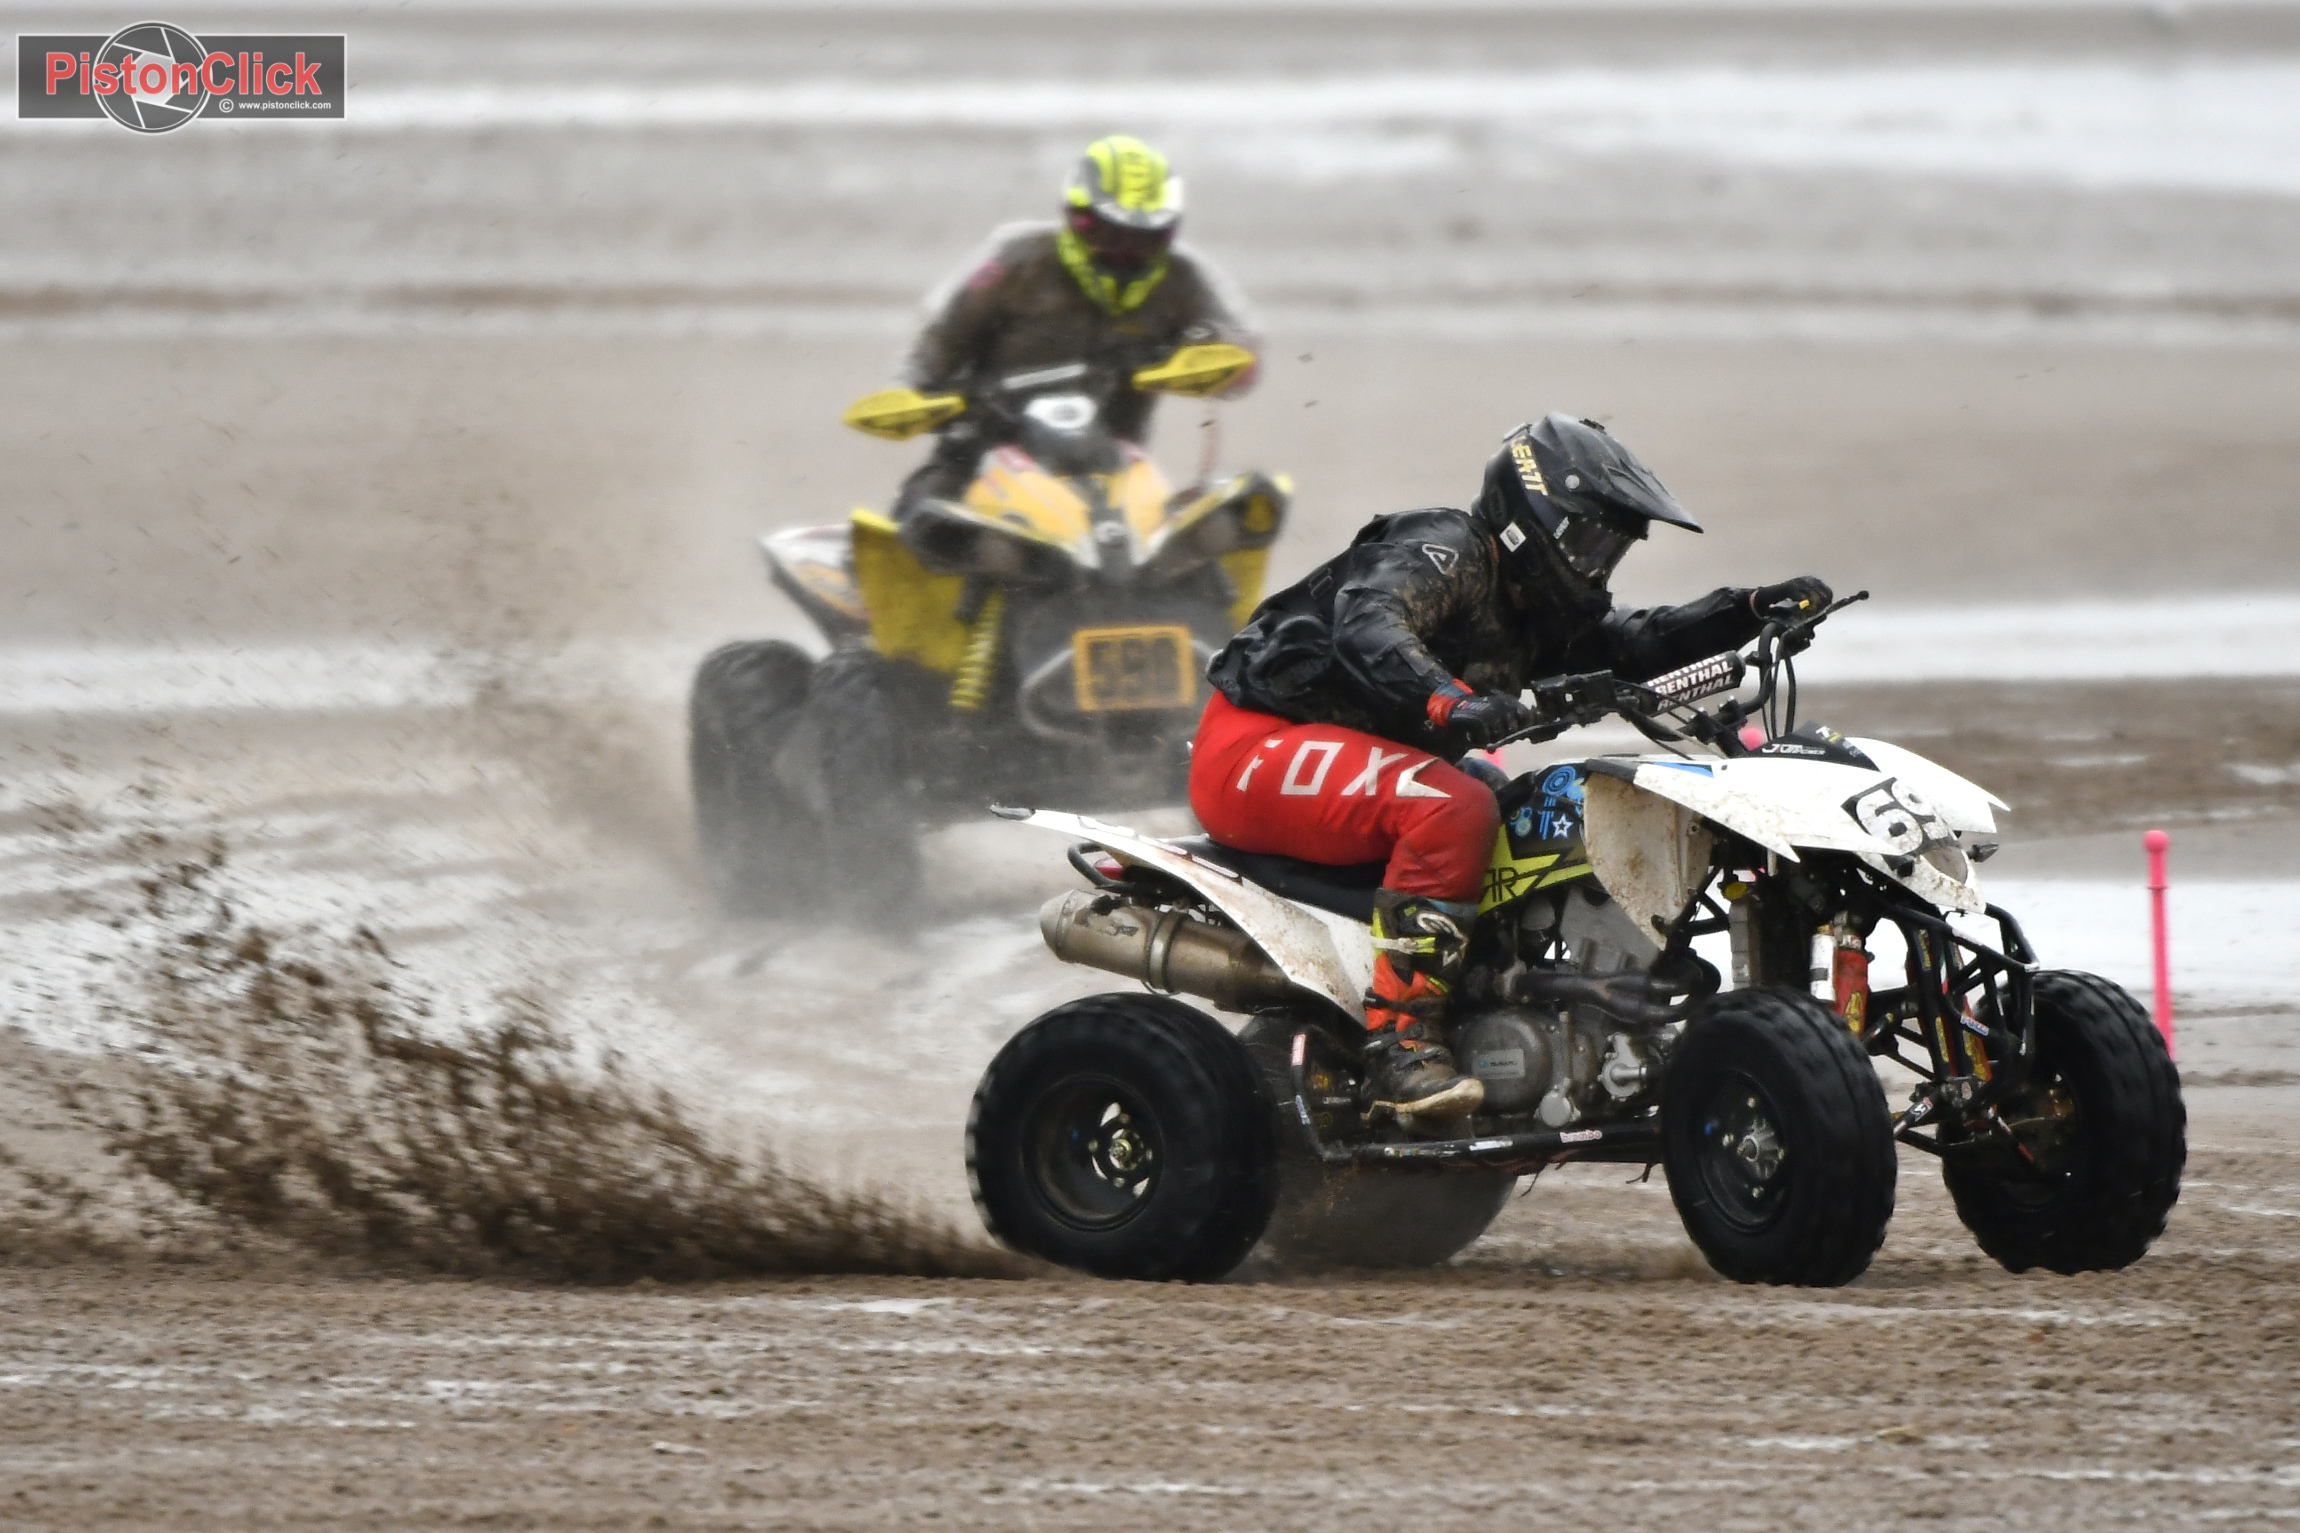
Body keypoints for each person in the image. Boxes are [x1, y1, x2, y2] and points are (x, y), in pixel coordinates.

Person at [1196, 414, 1833, 1120]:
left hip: (1346, 761)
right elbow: (1368, 619)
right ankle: (1400, 1044)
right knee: (1454, 807)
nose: (1598, 565)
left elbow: (1633, 644)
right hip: (1253, 744)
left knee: (1523, 807)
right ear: (1535, 519)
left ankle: (1497, 1003)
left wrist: (1744, 610)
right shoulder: (1446, 549)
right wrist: (1448, 702)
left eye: (1611, 549)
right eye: (1589, 540)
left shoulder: (1532, 614)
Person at [893, 134, 1258, 520]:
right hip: (984, 449)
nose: (1124, 254)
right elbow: (941, 337)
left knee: (1227, 517)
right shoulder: (1015, 260)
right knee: (922, 517)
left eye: (1143, 240)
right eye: (1110, 234)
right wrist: (911, 392)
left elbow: (1241, 351)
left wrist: (1216, 358)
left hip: (1116, 465)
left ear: (1169, 233)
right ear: (1075, 215)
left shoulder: (1183, 279)